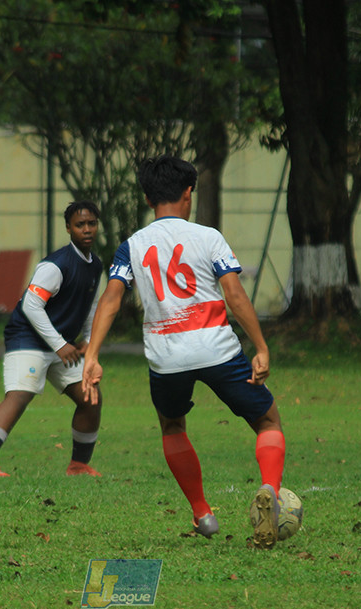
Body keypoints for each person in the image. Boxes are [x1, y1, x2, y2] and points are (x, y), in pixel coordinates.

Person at [81, 156, 286, 549]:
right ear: (188, 193)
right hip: (218, 350)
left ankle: (203, 514)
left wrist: (92, 354)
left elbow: (110, 300)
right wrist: (260, 346)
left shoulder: (132, 246)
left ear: (146, 197)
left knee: (172, 426)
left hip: (166, 357)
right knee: (267, 421)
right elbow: (235, 295)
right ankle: (269, 495)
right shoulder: (208, 237)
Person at [0, 201, 104, 478]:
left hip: (61, 345)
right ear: (69, 228)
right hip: (28, 337)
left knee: (91, 398)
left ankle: (78, 465)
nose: (87, 229)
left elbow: (90, 306)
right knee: (20, 394)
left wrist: (88, 339)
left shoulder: (95, 264)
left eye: (91, 224)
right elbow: (31, 305)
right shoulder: (56, 265)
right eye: (80, 225)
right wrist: (61, 345)